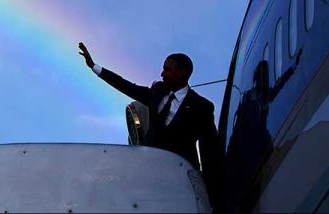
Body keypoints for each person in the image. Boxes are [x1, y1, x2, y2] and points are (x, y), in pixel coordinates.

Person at [78, 42, 222, 206]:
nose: (162, 73)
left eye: (167, 69)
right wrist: (94, 67)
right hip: (147, 173)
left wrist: (213, 199)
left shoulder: (202, 107)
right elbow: (126, 86)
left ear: (181, 73)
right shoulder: (157, 91)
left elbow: (211, 154)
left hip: (179, 180)